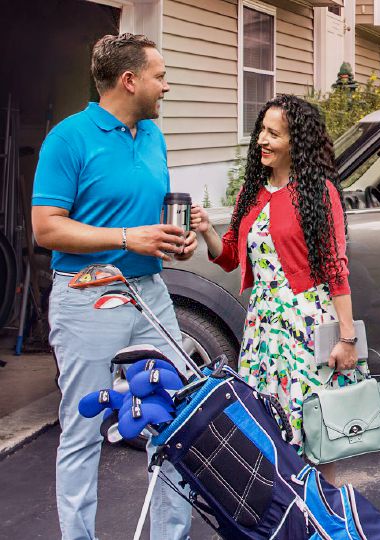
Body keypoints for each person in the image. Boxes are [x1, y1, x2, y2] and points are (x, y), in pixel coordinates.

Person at [31, 34, 196, 539]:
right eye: (160, 76)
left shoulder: (152, 136)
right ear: (130, 80)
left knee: (175, 420)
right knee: (83, 430)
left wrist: (175, 241)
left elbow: (148, 220)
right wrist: (127, 236)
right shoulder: (69, 139)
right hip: (87, 297)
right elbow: (46, 227)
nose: (166, 87)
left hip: (150, 294)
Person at [191, 94, 362, 485]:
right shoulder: (251, 193)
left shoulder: (318, 193)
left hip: (304, 324)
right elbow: (231, 255)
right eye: (261, 132)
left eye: (274, 134)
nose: (262, 141)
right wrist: (206, 232)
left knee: (316, 431)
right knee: (268, 429)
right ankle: (286, 519)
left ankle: (323, 518)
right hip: (263, 328)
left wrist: (347, 337)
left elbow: (336, 268)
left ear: (295, 142)